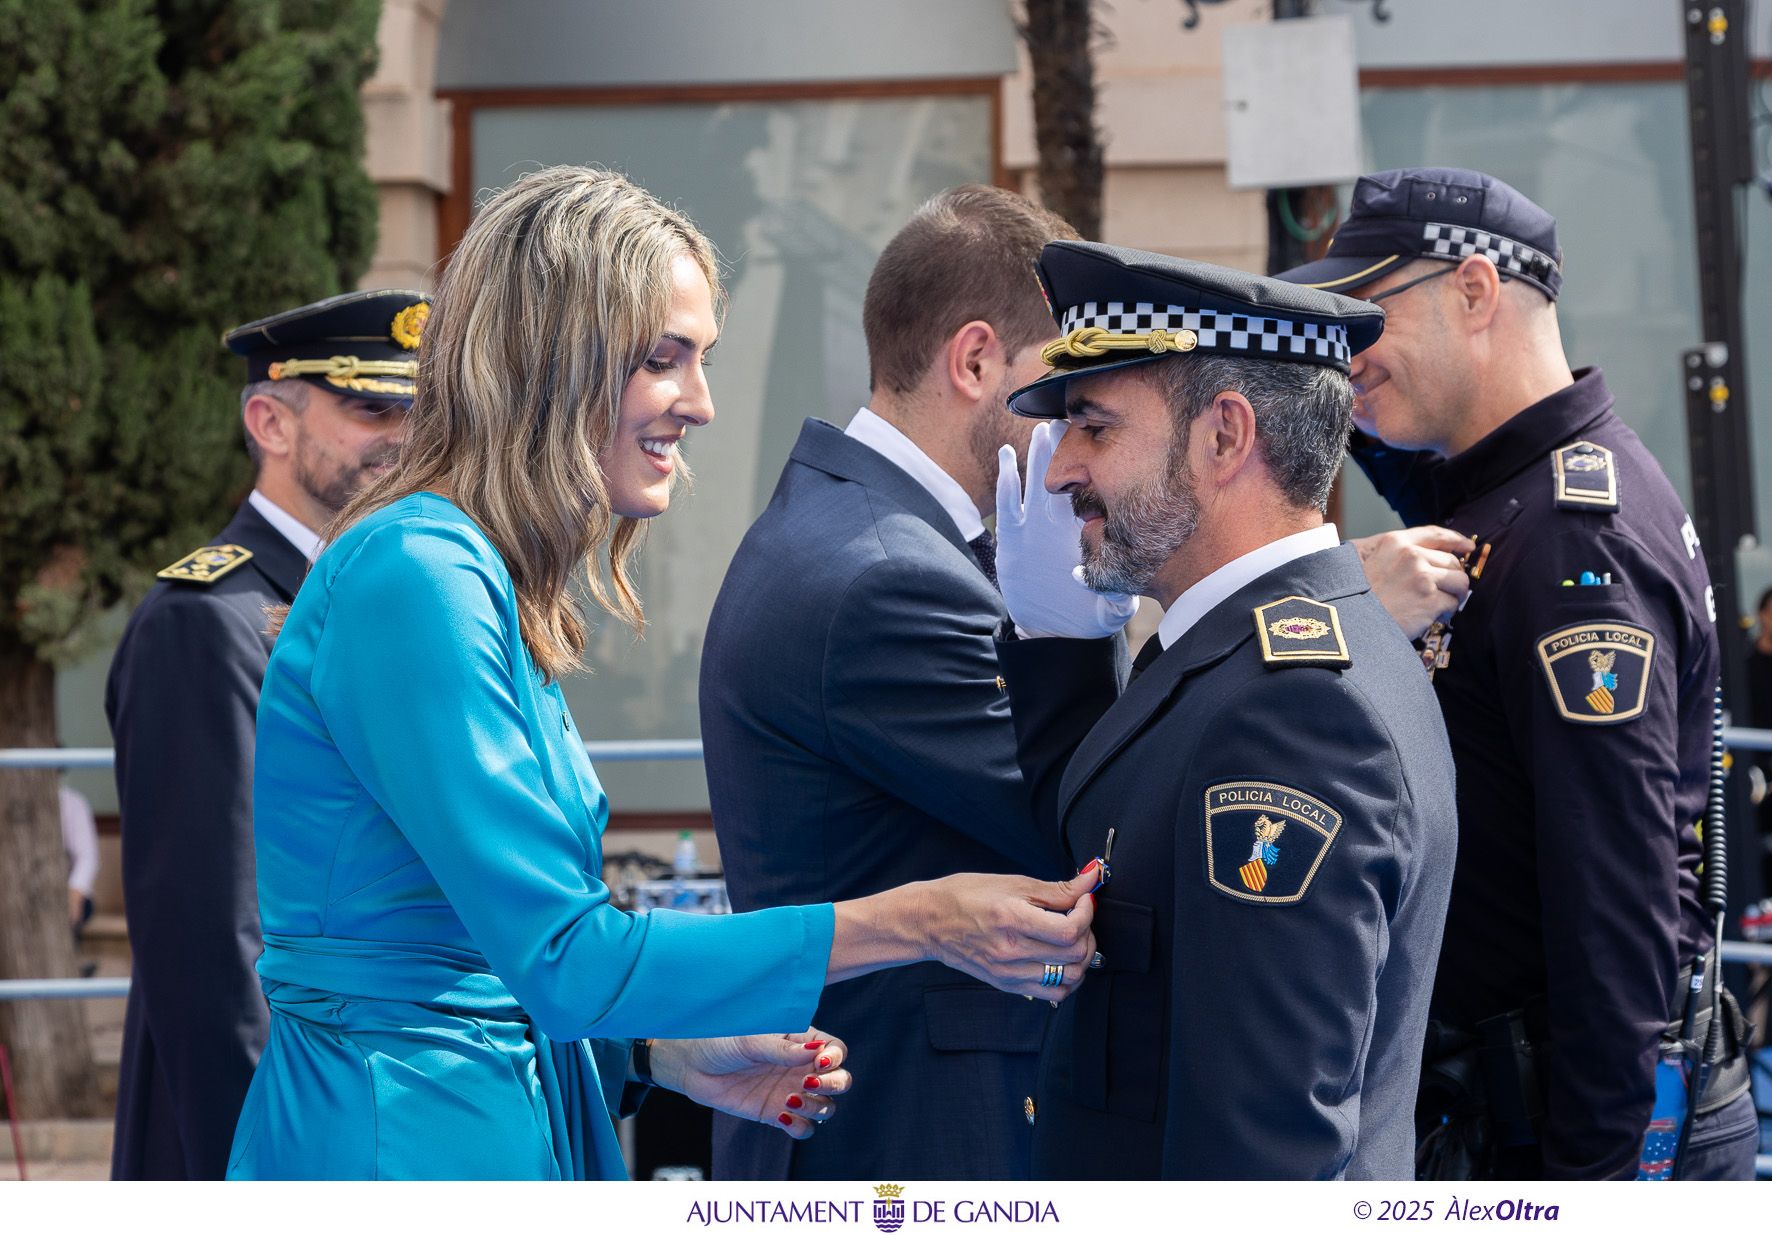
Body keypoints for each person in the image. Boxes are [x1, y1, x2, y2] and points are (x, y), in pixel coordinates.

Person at [224, 166, 1098, 1181]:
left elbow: (488, 964)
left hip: (467, 1117)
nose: (701, 403)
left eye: (701, 358)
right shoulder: (416, 572)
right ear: (550, 358)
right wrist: (920, 918)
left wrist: (661, 1054)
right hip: (397, 1143)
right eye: (663, 358)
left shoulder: (460, 568)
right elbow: (560, 957)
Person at [1277, 167, 1757, 1179]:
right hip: (1514, 1109)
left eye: (1367, 311)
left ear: (1473, 291)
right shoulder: (1514, 496)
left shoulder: (1568, 536)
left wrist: (1589, 1183)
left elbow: (1613, 905)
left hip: (1567, 1132)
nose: (1346, 349)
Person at [990, 240, 1458, 1179]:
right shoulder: (1236, 659)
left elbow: (1264, 1148)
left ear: (1222, 437)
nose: (1057, 471)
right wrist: (1055, 643)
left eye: (1094, 427)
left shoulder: (1292, 713)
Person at [700, 186, 1112, 1182]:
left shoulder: (871, 534)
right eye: (1060, 393)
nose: (1076, 438)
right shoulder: (889, 573)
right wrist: (1098, 613)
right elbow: (1097, 827)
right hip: (905, 1138)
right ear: (973, 361)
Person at [106, 288, 428, 1180]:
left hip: (369, 1099)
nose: (403, 435)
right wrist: (266, 1174)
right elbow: (214, 942)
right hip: (266, 1124)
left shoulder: (371, 598)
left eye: (418, 410)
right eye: (371, 407)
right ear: (270, 422)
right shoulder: (209, 621)